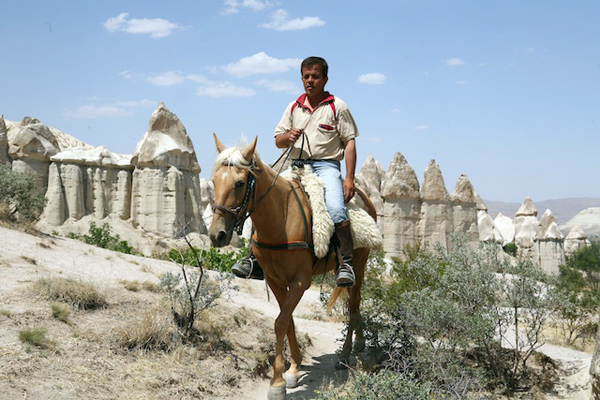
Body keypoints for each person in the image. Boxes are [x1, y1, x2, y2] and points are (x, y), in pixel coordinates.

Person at [232, 56, 359, 287]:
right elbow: (278, 140)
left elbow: (349, 142)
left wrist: (349, 178)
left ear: (325, 79)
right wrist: (288, 136)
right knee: (264, 198)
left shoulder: (337, 106)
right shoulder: (293, 107)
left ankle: (345, 264)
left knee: (335, 206)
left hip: (326, 165)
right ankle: (254, 260)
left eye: (315, 77)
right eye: (306, 77)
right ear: (302, 79)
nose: (310, 81)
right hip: (296, 165)